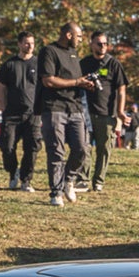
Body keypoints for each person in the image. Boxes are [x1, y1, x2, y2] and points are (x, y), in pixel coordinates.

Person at [36, 21, 94, 205]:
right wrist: (77, 82)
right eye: (79, 36)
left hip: (75, 108)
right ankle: (56, 193)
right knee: (56, 151)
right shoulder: (49, 52)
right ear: (69, 35)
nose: (81, 40)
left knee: (82, 148)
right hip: (54, 108)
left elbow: (75, 80)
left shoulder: (74, 54)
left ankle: (68, 180)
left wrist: (85, 84)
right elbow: (48, 81)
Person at [83, 31, 128, 192]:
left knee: (104, 149)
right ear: (91, 44)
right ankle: (82, 179)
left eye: (105, 44)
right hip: (86, 114)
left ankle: (98, 181)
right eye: (99, 43)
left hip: (107, 115)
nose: (103, 46)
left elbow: (121, 90)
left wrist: (120, 112)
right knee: (84, 147)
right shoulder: (84, 63)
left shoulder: (113, 64)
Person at [0, 31, 40, 191]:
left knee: (32, 148)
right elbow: (1, 87)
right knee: (7, 146)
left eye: (32, 43)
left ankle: (26, 180)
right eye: (27, 43)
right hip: (12, 113)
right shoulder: (9, 64)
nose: (30, 46)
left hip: (33, 113)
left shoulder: (39, 64)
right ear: (19, 44)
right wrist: (3, 107)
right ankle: (13, 171)